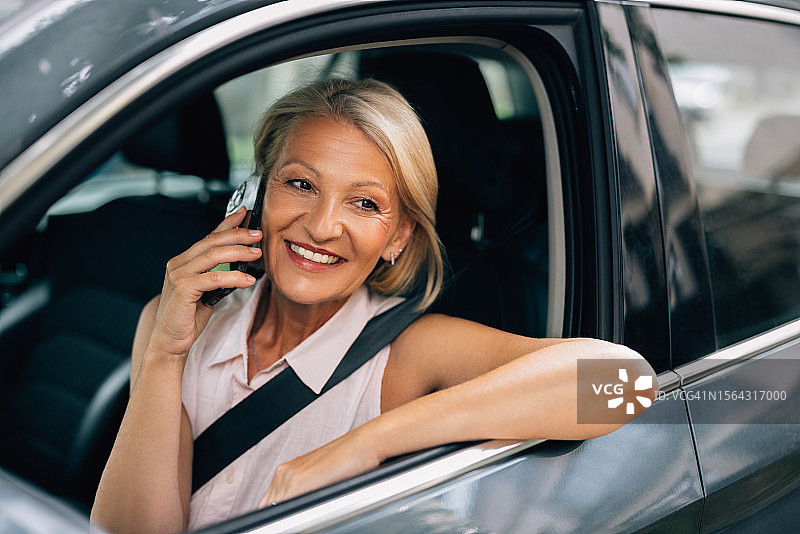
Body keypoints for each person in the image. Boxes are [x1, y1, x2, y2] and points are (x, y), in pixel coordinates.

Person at [91, 78, 656, 533]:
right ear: (260, 193)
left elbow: (623, 382)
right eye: (301, 184)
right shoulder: (170, 329)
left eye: (363, 203)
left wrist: (362, 447)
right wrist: (165, 352)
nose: (320, 226)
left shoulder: (411, 352)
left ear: (398, 237)